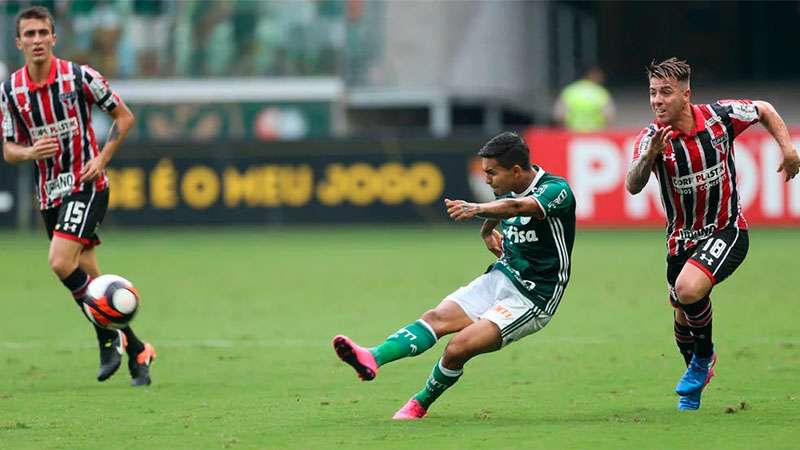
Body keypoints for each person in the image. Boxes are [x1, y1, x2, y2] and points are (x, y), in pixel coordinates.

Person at [332, 132, 576, 419]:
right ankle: (372, 357)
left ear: (516, 171)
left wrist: (476, 210)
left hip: (534, 297)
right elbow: (507, 203)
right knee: (435, 318)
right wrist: (486, 231)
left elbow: (518, 206)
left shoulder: (556, 189)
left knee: (458, 347)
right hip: (502, 276)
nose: (486, 179)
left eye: (491, 173)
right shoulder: (508, 189)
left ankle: (420, 402)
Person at [625, 57, 800, 410]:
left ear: (686, 94)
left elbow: (763, 109)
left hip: (727, 229)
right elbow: (632, 184)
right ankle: (694, 387)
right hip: (680, 241)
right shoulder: (650, 139)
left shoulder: (720, 119)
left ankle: (705, 359)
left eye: (666, 93)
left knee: (689, 290)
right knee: (681, 312)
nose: (657, 100)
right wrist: (649, 159)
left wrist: (788, 148)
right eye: (653, 93)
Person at [1, 6, 156, 386]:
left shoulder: (79, 76)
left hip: (86, 185)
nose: (37, 40)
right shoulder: (10, 90)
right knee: (88, 277)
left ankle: (107, 339)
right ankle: (137, 348)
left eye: (43, 33)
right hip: (49, 194)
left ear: (54, 38)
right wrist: (29, 152)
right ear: (18, 41)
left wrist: (101, 159)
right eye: (30, 35)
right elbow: (8, 149)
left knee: (58, 262)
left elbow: (124, 117)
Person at [553, 65, 615, 132]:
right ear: (592, 75)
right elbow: (608, 114)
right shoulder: (600, 92)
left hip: (572, 131)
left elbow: (559, 115)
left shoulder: (570, 91)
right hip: (595, 131)